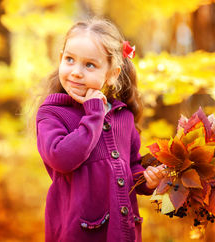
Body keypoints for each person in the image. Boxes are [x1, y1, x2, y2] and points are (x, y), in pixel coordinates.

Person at [35, 17, 165, 242]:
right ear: (60, 59)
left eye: (89, 65)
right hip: (78, 233)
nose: (76, 72)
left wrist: (146, 180)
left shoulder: (122, 116)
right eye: (70, 60)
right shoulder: (52, 113)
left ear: (112, 74)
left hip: (122, 232)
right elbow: (62, 158)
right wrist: (94, 113)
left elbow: (130, 167)